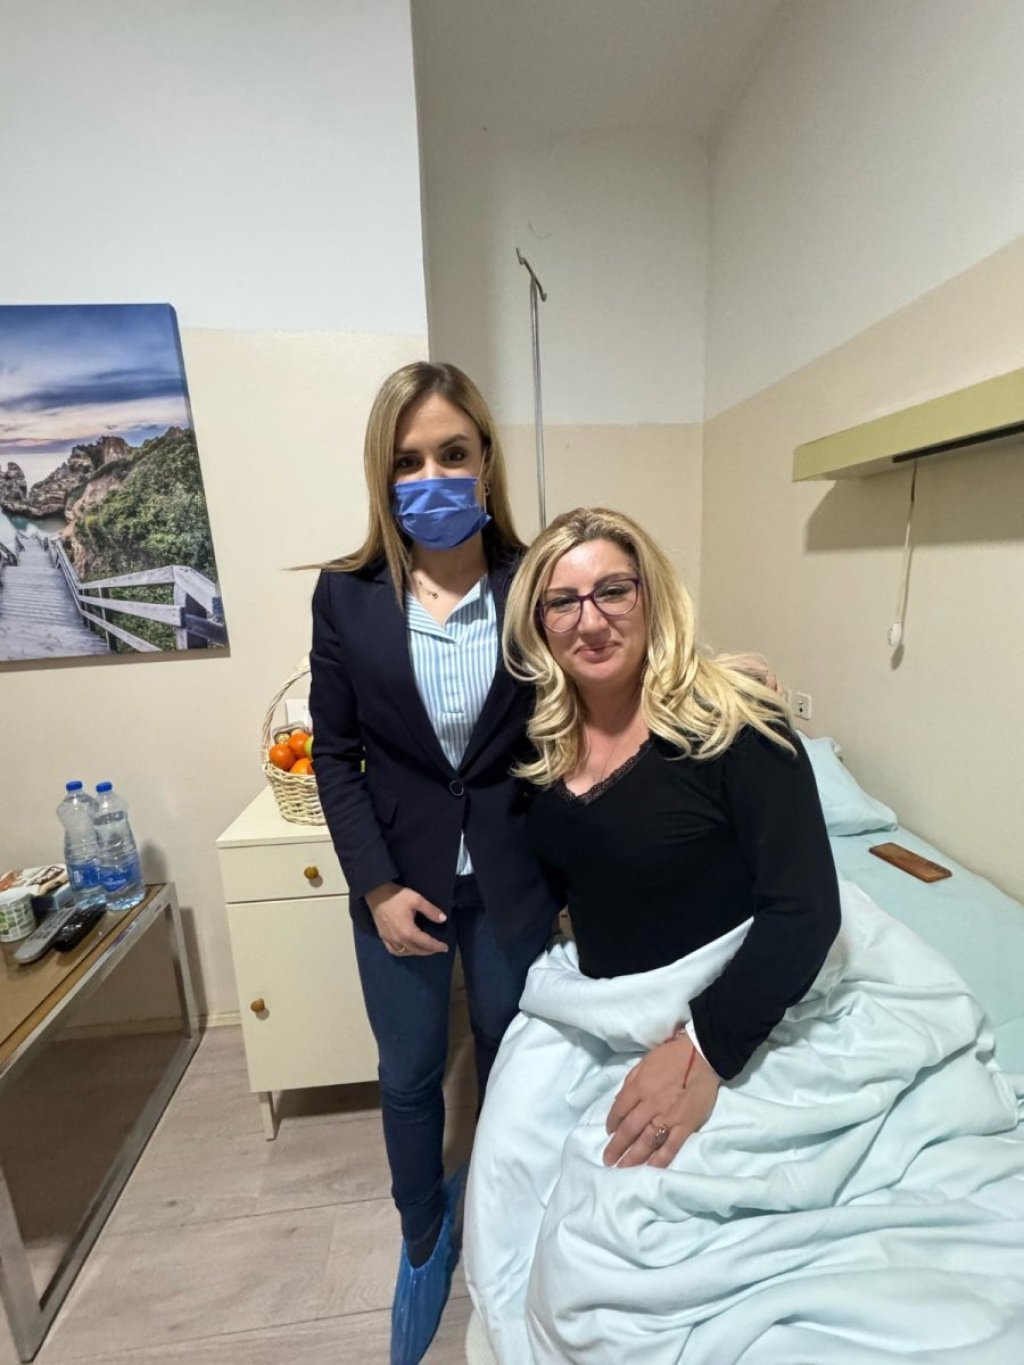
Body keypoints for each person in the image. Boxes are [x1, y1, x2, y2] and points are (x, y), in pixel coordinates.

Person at [463, 507, 1024, 1364]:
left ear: (651, 595)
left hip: (742, 1003)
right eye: (563, 601)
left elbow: (805, 910)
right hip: (610, 1002)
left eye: (613, 590)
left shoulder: (737, 727)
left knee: (607, 1258)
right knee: (508, 1186)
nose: (590, 618)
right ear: (538, 624)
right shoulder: (538, 749)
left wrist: (702, 1053)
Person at [308, 363, 560, 1365]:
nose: (432, 476)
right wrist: (374, 884)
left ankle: (499, 1211)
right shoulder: (347, 597)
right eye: (408, 460)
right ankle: (422, 1234)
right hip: (397, 879)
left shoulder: (535, 580)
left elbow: (606, 671)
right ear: (383, 474)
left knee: (508, 1047)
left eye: (452, 453)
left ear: (486, 460)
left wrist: (710, 676)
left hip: (510, 873)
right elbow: (335, 755)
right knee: (411, 1072)